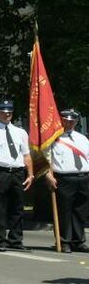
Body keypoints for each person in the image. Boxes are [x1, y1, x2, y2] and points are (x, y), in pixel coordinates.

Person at [0, 100, 33, 250]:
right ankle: (2, 239)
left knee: (17, 207)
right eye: (3, 112)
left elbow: (26, 155)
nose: (6, 114)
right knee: (0, 207)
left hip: (17, 172)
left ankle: (16, 239)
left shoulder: (20, 132)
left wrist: (30, 174)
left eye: (9, 112)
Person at [45, 108, 89, 253]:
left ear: (76, 122)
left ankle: (78, 241)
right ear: (61, 121)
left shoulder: (82, 138)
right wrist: (48, 175)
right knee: (64, 211)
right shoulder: (53, 138)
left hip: (83, 177)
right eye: (66, 121)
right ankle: (64, 241)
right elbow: (46, 160)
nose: (69, 123)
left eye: (72, 121)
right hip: (64, 178)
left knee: (80, 211)